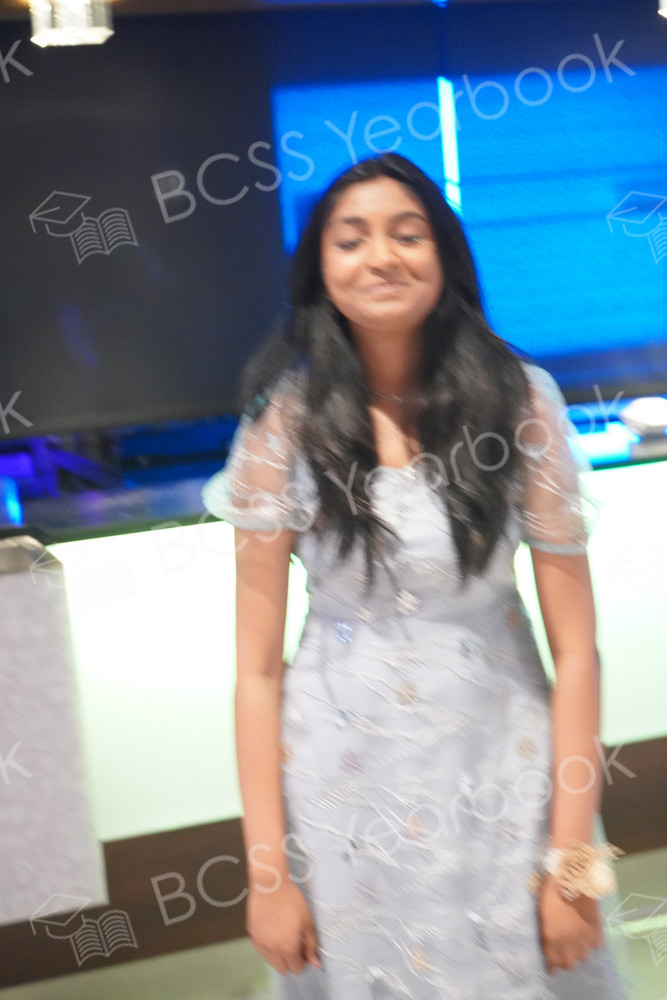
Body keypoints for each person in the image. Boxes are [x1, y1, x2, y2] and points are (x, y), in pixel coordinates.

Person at [201, 153, 632, 1000]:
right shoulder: (282, 427)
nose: (381, 257)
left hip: (501, 764)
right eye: (350, 239)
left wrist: (573, 864)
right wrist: (268, 876)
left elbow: (577, 654)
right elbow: (256, 674)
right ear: (320, 269)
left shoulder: (520, 404)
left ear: (445, 256)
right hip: (341, 777)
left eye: (407, 234)